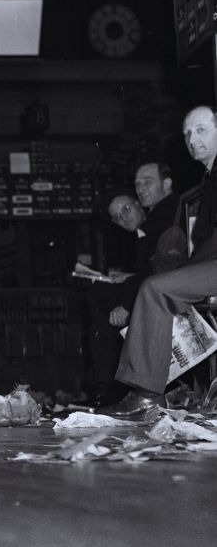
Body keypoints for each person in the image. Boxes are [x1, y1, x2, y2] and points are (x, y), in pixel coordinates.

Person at [100, 106, 217, 417]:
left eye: (202, 130)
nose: (193, 139)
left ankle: (147, 393)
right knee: (156, 287)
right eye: (188, 134)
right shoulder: (209, 177)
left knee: (154, 289)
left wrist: (187, 269)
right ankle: (147, 390)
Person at [83, 170, 180, 406]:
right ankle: (108, 385)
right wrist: (128, 277)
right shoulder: (147, 225)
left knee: (98, 300)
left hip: (165, 293)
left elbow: (160, 269)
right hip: (155, 286)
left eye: (126, 210)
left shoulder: (163, 217)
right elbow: (154, 267)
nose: (123, 218)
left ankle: (108, 387)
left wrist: (127, 305)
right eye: (117, 217)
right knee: (98, 296)